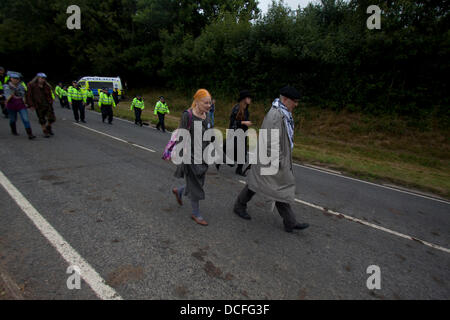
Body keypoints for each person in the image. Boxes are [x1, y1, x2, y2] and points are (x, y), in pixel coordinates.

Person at [233, 86, 309, 233]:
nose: (296, 104)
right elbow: (271, 142)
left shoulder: (283, 114)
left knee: (269, 186)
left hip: (270, 159)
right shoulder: (276, 115)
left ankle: (289, 221)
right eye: (294, 101)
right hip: (270, 159)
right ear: (285, 99)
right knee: (271, 186)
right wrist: (280, 161)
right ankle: (289, 221)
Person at [172, 89, 213, 226]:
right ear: (196, 102)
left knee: (199, 183)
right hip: (190, 157)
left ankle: (180, 191)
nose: (209, 105)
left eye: (210, 103)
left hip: (203, 157)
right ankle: (196, 214)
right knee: (196, 185)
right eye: (206, 103)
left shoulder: (206, 115)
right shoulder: (188, 116)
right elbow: (181, 136)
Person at [217, 90, 253, 175]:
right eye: (248, 98)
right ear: (244, 99)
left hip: (242, 134)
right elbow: (233, 122)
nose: (250, 99)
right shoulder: (237, 108)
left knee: (243, 152)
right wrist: (244, 122)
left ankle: (239, 169)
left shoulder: (246, 110)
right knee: (232, 150)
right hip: (235, 134)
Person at [3, 72, 36, 139]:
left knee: (25, 119)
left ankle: (30, 134)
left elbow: (24, 95)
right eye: (14, 78)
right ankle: (13, 130)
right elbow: (7, 97)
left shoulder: (21, 86)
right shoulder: (6, 86)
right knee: (13, 119)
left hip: (21, 105)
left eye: (17, 79)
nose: (16, 80)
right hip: (11, 105)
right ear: (11, 79)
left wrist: (28, 104)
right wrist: (13, 94)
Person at [26, 73, 56, 138]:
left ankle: (49, 127)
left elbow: (50, 94)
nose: (43, 80)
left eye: (44, 78)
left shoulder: (46, 86)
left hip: (47, 103)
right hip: (38, 104)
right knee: (41, 118)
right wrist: (31, 105)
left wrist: (51, 100)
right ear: (37, 78)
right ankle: (45, 130)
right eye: (41, 78)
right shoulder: (31, 85)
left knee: (52, 118)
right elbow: (29, 95)